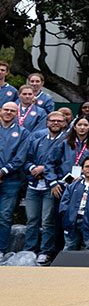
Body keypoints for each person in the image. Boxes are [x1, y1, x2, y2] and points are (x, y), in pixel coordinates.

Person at [24, 110, 68, 263]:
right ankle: (29, 250)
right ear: (47, 122)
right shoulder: (38, 140)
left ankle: (45, 251)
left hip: (51, 186)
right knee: (32, 219)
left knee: (47, 221)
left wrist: (45, 169)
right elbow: (27, 159)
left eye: (59, 121)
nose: (55, 123)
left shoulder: (67, 141)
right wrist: (33, 168)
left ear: (64, 123)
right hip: (34, 185)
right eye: (52, 120)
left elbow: (64, 164)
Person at [0, 102, 31, 254]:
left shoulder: (23, 132)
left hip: (11, 180)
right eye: (6, 109)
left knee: (4, 216)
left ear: (17, 113)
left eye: (12, 110)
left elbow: (20, 157)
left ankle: (1, 250)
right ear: (1, 110)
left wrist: (3, 171)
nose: (9, 112)